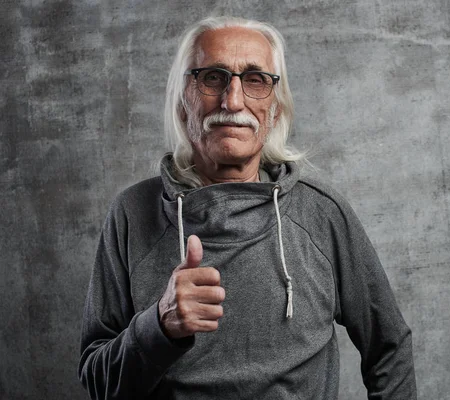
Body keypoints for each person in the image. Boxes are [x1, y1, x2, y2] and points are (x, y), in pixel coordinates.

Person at [78, 16, 416, 400]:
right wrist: (160, 325)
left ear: (275, 106)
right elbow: (99, 383)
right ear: (183, 97)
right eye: (212, 77)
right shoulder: (131, 214)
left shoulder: (321, 212)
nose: (233, 101)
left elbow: (390, 348)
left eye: (255, 80)